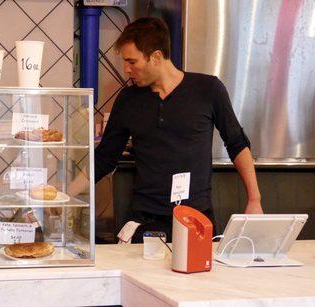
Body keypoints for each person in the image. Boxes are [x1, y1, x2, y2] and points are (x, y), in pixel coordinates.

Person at [70, 17, 263, 243]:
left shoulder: (208, 90)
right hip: (143, 222)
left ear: (156, 57)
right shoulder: (128, 99)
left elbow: (237, 143)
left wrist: (254, 200)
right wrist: (66, 194)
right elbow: (104, 158)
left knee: (197, 278)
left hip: (196, 219)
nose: (126, 69)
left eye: (132, 62)